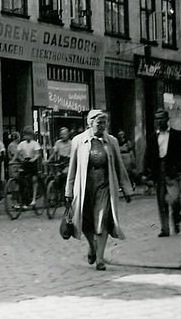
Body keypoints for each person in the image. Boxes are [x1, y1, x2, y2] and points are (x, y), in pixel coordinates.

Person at [65, 110, 133, 271]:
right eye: (99, 123)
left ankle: (100, 259)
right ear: (90, 123)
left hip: (104, 185)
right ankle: (92, 247)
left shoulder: (112, 141)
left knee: (102, 219)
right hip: (85, 187)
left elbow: (119, 167)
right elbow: (72, 168)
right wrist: (68, 190)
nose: (102, 126)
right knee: (86, 222)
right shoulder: (78, 141)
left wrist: (127, 189)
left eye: (104, 123)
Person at [144, 108, 181, 237]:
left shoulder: (177, 134)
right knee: (161, 200)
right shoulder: (152, 137)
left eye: (162, 118)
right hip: (159, 171)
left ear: (167, 119)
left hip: (173, 170)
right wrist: (146, 171)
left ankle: (176, 217)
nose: (159, 121)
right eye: (157, 119)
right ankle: (165, 229)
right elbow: (148, 155)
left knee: (174, 199)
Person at [11, 126, 42, 207]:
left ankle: (34, 198)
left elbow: (37, 154)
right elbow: (17, 153)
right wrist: (13, 160)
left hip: (32, 162)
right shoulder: (21, 144)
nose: (26, 137)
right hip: (25, 162)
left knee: (34, 179)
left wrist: (34, 159)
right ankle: (24, 199)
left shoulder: (35, 144)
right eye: (25, 135)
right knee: (21, 179)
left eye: (28, 135)